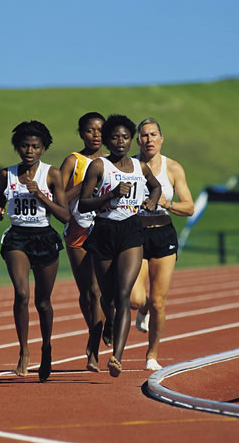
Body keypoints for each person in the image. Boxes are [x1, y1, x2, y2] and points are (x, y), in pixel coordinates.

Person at [79, 114, 161, 377]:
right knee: (109, 297)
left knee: (124, 295)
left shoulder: (140, 167)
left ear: (131, 139)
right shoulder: (99, 167)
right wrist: (112, 193)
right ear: (107, 140)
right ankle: (109, 326)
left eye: (125, 137)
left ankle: (117, 357)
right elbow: (84, 203)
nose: (120, 142)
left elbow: (155, 187)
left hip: (130, 232)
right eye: (115, 137)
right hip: (103, 232)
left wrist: (151, 201)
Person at [0, 120, 70, 382]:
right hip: (17, 237)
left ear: (43, 149)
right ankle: (24, 350)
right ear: (18, 147)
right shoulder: (8, 174)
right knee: (22, 292)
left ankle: (46, 347)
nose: (29, 150)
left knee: (43, 301)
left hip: (44, 236)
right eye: (25, 146)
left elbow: (65, 215)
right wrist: (0, 209)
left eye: (35, 146)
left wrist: (40, 195)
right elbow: (1, 196)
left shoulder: (52, 175)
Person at [130, 117, 194, 371]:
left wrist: (166, 203)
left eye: (153, 134)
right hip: (135, 234)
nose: (149, 140)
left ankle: (152, 355)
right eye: (144, 135)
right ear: (138, 140)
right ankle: (141, 308)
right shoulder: (129, 166)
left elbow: (188, 207)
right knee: (136, 298)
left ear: (161, 138)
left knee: (159, 301)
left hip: (163, 235)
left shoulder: (173, 168)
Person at [60, 112, 111, 372]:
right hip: (77, 230)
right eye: (90, 130)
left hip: (102, 229)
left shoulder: (111, 161)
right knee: (86, 293)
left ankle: (93, 346)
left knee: (97, 290)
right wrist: (82, 186)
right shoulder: (73, 160)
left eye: (100, 130)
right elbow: (57, 198)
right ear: (81, 133)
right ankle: (95, 328)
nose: (96, 135)